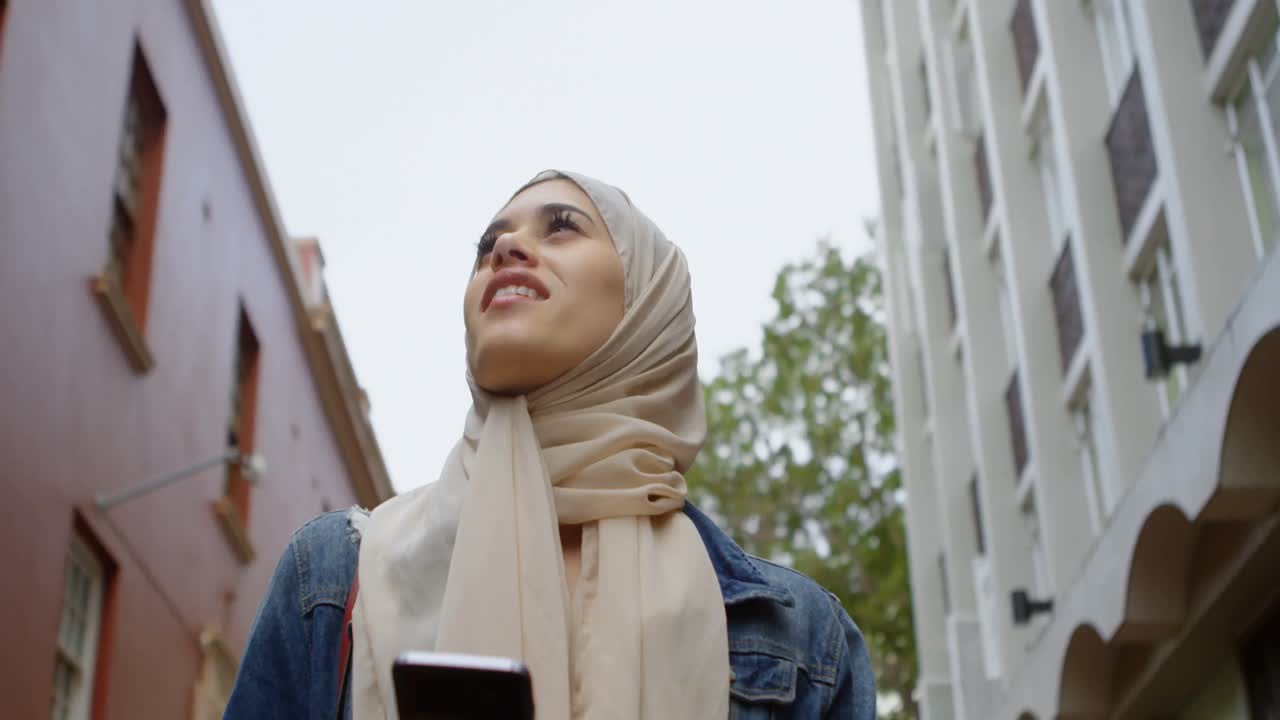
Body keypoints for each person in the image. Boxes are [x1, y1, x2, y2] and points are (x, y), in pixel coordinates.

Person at [224, 170, 876, 719]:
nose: (506, 247)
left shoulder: (799, 638)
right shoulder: (333, 582)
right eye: (488, 243)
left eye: (560, 226)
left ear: (649, 304)